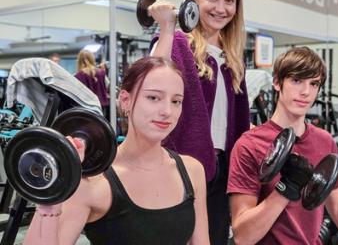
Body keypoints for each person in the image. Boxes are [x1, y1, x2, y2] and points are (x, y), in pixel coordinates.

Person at [24, 57, 209, 245]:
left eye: (176, 101)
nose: (167, 111)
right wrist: (52, 195)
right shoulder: (94, 182)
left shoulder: (192, 171)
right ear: (125, 100)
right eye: (153, 98)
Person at [149, 0, 250, 244]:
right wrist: (167, 27)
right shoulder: (178, 43)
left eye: (229, 1)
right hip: (181, 167)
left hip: (222, 168)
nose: (221, 8)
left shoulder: (233, 59)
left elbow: (239, 123)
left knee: (215, 238)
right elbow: (152, 77)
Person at [227, 47, 338, 244]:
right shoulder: (249, 145)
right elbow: (243, 237)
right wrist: (286, 189)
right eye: (296, 81)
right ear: (277, 82)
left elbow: (337, 206)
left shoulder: (324, 141)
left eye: (314, 84)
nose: (305, 92)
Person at [74, 50, 110, 118]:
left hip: (85, 108)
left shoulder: (77, 76)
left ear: (79, 61)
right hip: (101, 106)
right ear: (92, 59)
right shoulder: (101, 73)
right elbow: (107, 86)